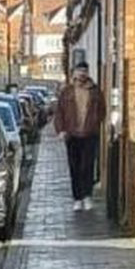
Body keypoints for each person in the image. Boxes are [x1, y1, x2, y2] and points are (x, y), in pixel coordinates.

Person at [54, 62, 106, 211]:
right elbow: (59, 113)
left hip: (90, 134)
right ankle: (77, 198)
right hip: (72, 135)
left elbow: (102, 110)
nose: (82, 74)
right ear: (74, 73)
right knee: (74, 167)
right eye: (79, 71)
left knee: (87, 166)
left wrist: (95, 123)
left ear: (87, 73)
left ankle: (87, 196)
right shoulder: (67, 91)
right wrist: (61, 130)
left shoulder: (95, 91)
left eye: (84, 71)